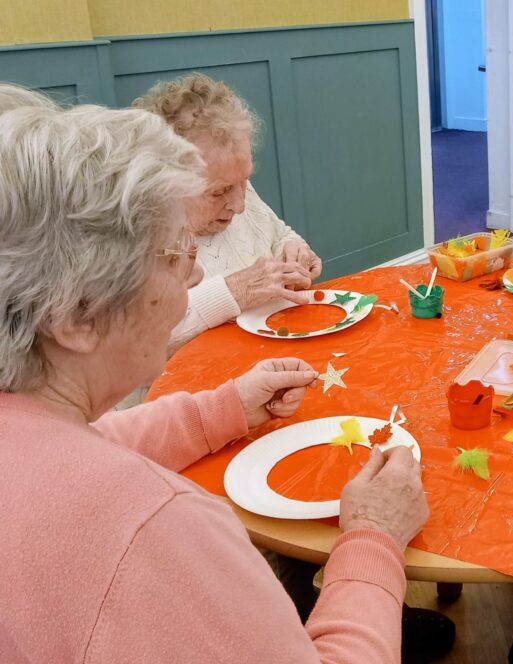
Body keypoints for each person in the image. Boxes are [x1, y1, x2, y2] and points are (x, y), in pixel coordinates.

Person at [0, 88, 427, 663]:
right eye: (174, 253)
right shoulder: (157, 532)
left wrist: (221, 408)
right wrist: (373, 538)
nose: (197, 268)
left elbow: (86, 447)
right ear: (77, 314)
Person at [133, 73, 322, 352]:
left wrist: (294, 250)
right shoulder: (135, 231)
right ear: (164, 185)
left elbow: (277, 233)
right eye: (218, 192)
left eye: (244, 181)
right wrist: (233, 291)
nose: (239, 205)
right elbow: (139, 339)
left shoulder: (229, 180)